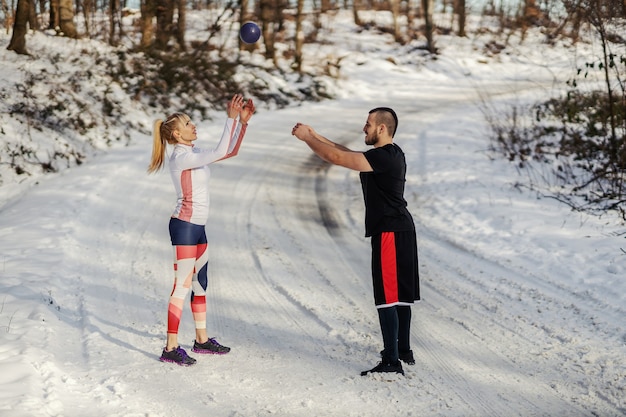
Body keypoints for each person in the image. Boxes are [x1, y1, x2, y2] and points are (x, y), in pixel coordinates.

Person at [291, 107, 420, 376]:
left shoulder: (382, 158)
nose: (364, 127)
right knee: (400, 295)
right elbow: (342, 150)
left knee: (386, 296)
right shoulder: (391, 154)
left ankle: (392, 361)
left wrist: (306, 139)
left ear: (382, 129)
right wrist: (316, 135)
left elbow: (336, 157)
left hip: (389, 232)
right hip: (401, 229)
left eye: (368, 124)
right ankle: (403, 350)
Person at [148, 94, 255, 366]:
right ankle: (170, 347)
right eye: (187, 123)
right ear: (176, 133)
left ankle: (202, 340)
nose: (193, 125)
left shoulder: (193, 154)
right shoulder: (181, 158)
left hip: (198, 227)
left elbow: (229, 151)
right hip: (184, 226)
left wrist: (242, 124)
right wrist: (230, 119)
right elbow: (220, 151)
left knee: (200, 283)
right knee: (182, 285)